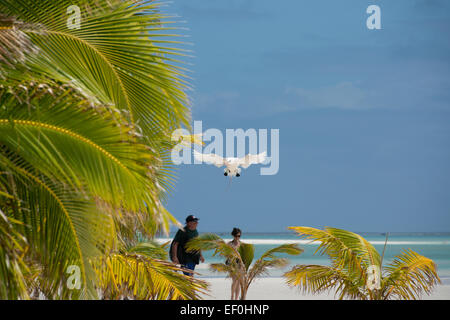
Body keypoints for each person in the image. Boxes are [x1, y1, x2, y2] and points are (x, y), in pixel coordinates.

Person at [228, 227, 242, 300]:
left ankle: (236, 298)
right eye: (236, 236)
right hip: (232, 264)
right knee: (235, 280)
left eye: (239, 236)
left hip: (240, 264)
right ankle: (232, 297)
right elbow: (226, 254)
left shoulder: (241, 244)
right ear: (233, 236)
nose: (237, 237)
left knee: (239, 282)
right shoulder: (230, 244)